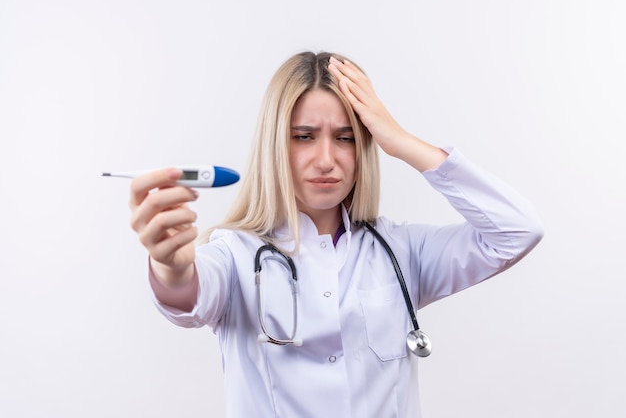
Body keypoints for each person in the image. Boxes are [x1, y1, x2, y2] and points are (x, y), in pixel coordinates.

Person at [128, 51, 544, 417]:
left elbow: (517, 230)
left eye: (345, 138)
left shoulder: (402, 252)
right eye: (304, 137)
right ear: (275, 145)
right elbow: (188, 296)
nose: (326, 159)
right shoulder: (235, 255)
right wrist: (171, 266)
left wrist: (401, 142)